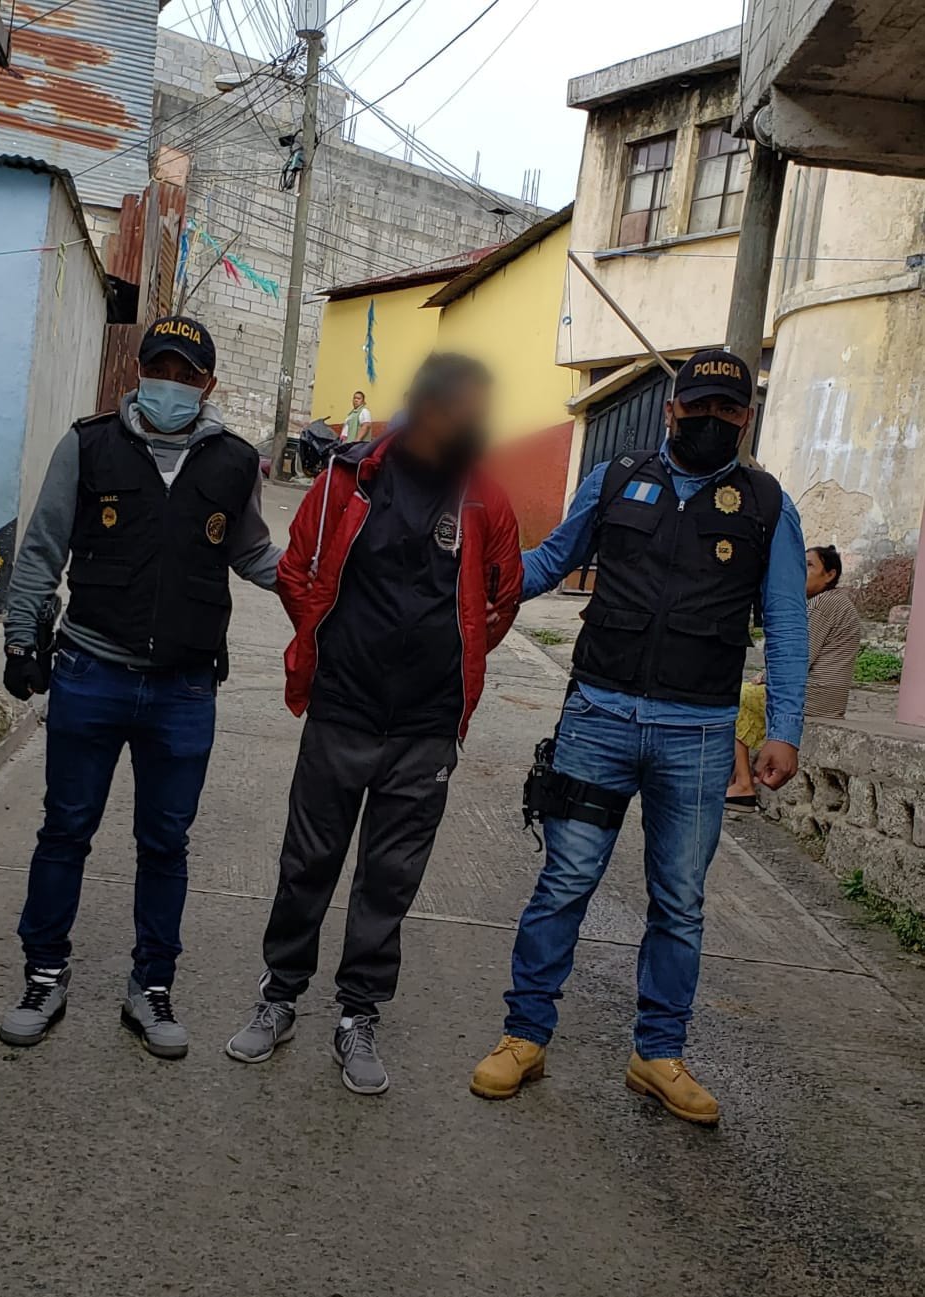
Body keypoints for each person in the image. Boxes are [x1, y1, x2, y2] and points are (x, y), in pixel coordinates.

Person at [470, 348, 809, 1124]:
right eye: (699, 408)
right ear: (670, 409)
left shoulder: (766, 505)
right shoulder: (616, 479)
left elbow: (788, 626)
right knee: (565, 881)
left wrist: (784, 729)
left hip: (699, 737)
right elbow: (548, 563)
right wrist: (472, 571)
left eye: (728, 411)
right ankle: (524, 1036)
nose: (711, 421)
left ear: (747, 418)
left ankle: (657, 1053)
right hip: (599, 720)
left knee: (680, 901)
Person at [226, 353, 522, 1095]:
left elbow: (502, 599)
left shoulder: (484, 499)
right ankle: (279, 995)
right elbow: (296, 570)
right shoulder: (345, 479)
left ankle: (358, 1014)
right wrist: (331, 646)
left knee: (390, 878)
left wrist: (452, 661)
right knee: (308, 862)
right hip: (342, 710)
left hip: (427, 728)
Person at [0, 316, 281, 1060]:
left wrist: (324, 588)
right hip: (90, 672)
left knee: (165, 843)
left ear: (207, 385)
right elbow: (43, 546)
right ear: (139, 371)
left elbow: (253, 553)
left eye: (186, 374)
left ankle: (151, 985)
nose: (170, 384)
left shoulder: (234, 462)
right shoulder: (88, 445)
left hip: (184, 690)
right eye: (160, 368)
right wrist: (21, 638)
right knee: (65, 831)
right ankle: (44, 975)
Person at [728, 544, 862, 806]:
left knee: (736, 697)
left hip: (814, 696)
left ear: (830, 574)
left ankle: (743, 783)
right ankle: (737, 778)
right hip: (830, 699)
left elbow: (799, 655)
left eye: (810, 565)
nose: (801, 571)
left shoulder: (823, 604)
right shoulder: (838, 602)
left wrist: (765, 676)